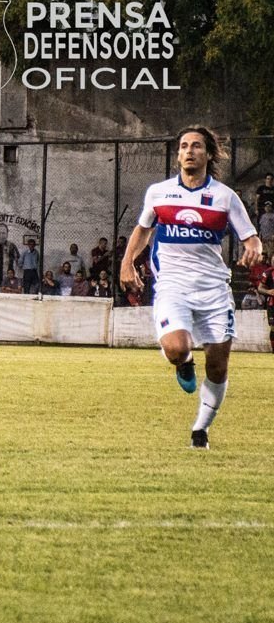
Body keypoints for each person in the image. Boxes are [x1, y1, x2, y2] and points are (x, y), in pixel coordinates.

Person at [120, 126, 262, 450]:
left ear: (208, 154)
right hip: (172, 285)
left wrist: (254, 246)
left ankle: (201, 428)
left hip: (214, 290)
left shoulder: (225, 197)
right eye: (184, 146)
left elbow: (250, 236)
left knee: (218, 365)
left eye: (196, 146)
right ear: (178, 155)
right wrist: (127, 263)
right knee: (175, 348)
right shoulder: (159, 193)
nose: (189, 151)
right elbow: (143, 230)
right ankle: (183, 362)